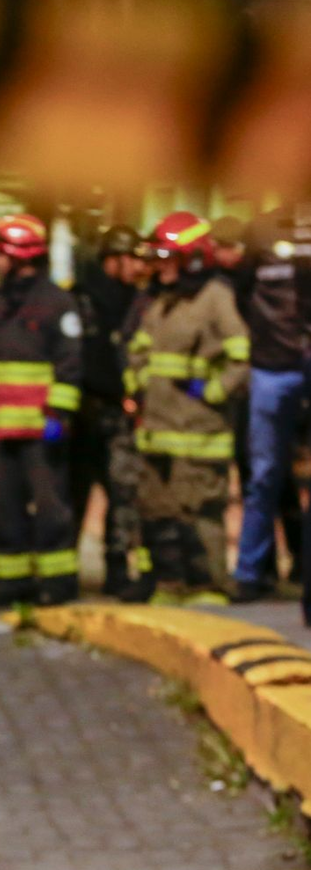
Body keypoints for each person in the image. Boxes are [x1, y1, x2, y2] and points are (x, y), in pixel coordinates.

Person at [127, 211, 250, 604]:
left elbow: (242, 356)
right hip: (158, 430)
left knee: (199, 512)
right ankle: (171, 583)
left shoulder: (216, 297)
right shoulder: (163, 301)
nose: (158, 266)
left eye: (167, 257)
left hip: (199, 432)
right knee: (160, 512)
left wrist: (213, 392)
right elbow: (141, 351)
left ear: (193, 258)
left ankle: (209, 585)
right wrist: (137, 386)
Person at [0, 214, 83, 606]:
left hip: (43, 429)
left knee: (50, 509)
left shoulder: (57, 302)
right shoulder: (1, 303)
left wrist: (57, 416)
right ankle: (14, 583)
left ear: (18, 255)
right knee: (5, 509)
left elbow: (70, 363)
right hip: (3, 428)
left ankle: (58, 583)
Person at [233, 207, 311, 602]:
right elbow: (240, 294)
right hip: (270, 368)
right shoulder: (262, 229)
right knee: (263, 476)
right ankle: (249, 572)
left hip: (291, 363)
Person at [72, 224, 147, 598]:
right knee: (74, 493)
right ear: (112, 260)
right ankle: (66, 572)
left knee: (123, 495)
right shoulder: (83, 299)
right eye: (132, 258)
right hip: (84, 413)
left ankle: (117, 571)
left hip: (119, 414)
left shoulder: (139, 301)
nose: (139, 267)